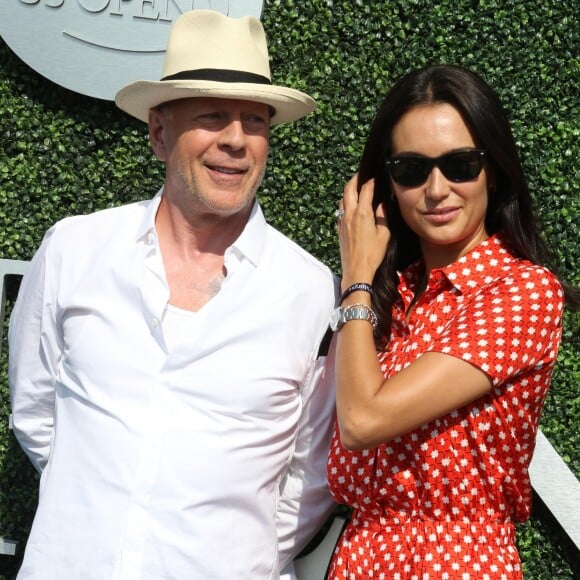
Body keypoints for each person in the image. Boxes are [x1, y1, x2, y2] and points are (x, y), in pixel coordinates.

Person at [9, 10, 338, 580]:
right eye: (212, 116)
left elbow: (312, 474)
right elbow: (35, 413)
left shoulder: (309, 290)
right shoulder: (74, 249)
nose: (236, 141)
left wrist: (229, 556)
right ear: (160, 132)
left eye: (255, 121)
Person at [327, 64, 578, 578]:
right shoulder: (390, 298)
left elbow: (363, 422)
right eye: (412, 170)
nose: (437, 189)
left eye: (460, 164)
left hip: (455, 562)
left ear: (494, 169)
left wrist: (355, 276)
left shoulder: (521, 291)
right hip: (358, 559)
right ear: (386, 185)